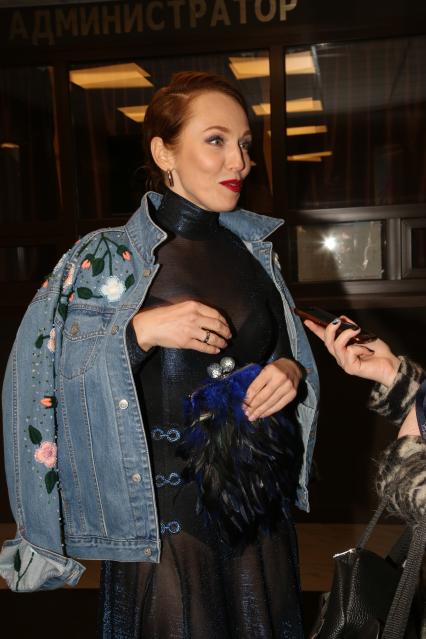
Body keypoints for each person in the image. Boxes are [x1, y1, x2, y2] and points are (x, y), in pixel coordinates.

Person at [0, 72, 319, 638]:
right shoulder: (103, 259)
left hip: (258, 516)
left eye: (245, 144)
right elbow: (40, 383)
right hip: (163, 529)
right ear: (163, 152)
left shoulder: (254, 253)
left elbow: (282, 352)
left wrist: (290, 370)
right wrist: (138, 332)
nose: (240, 161)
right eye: (216, 140)